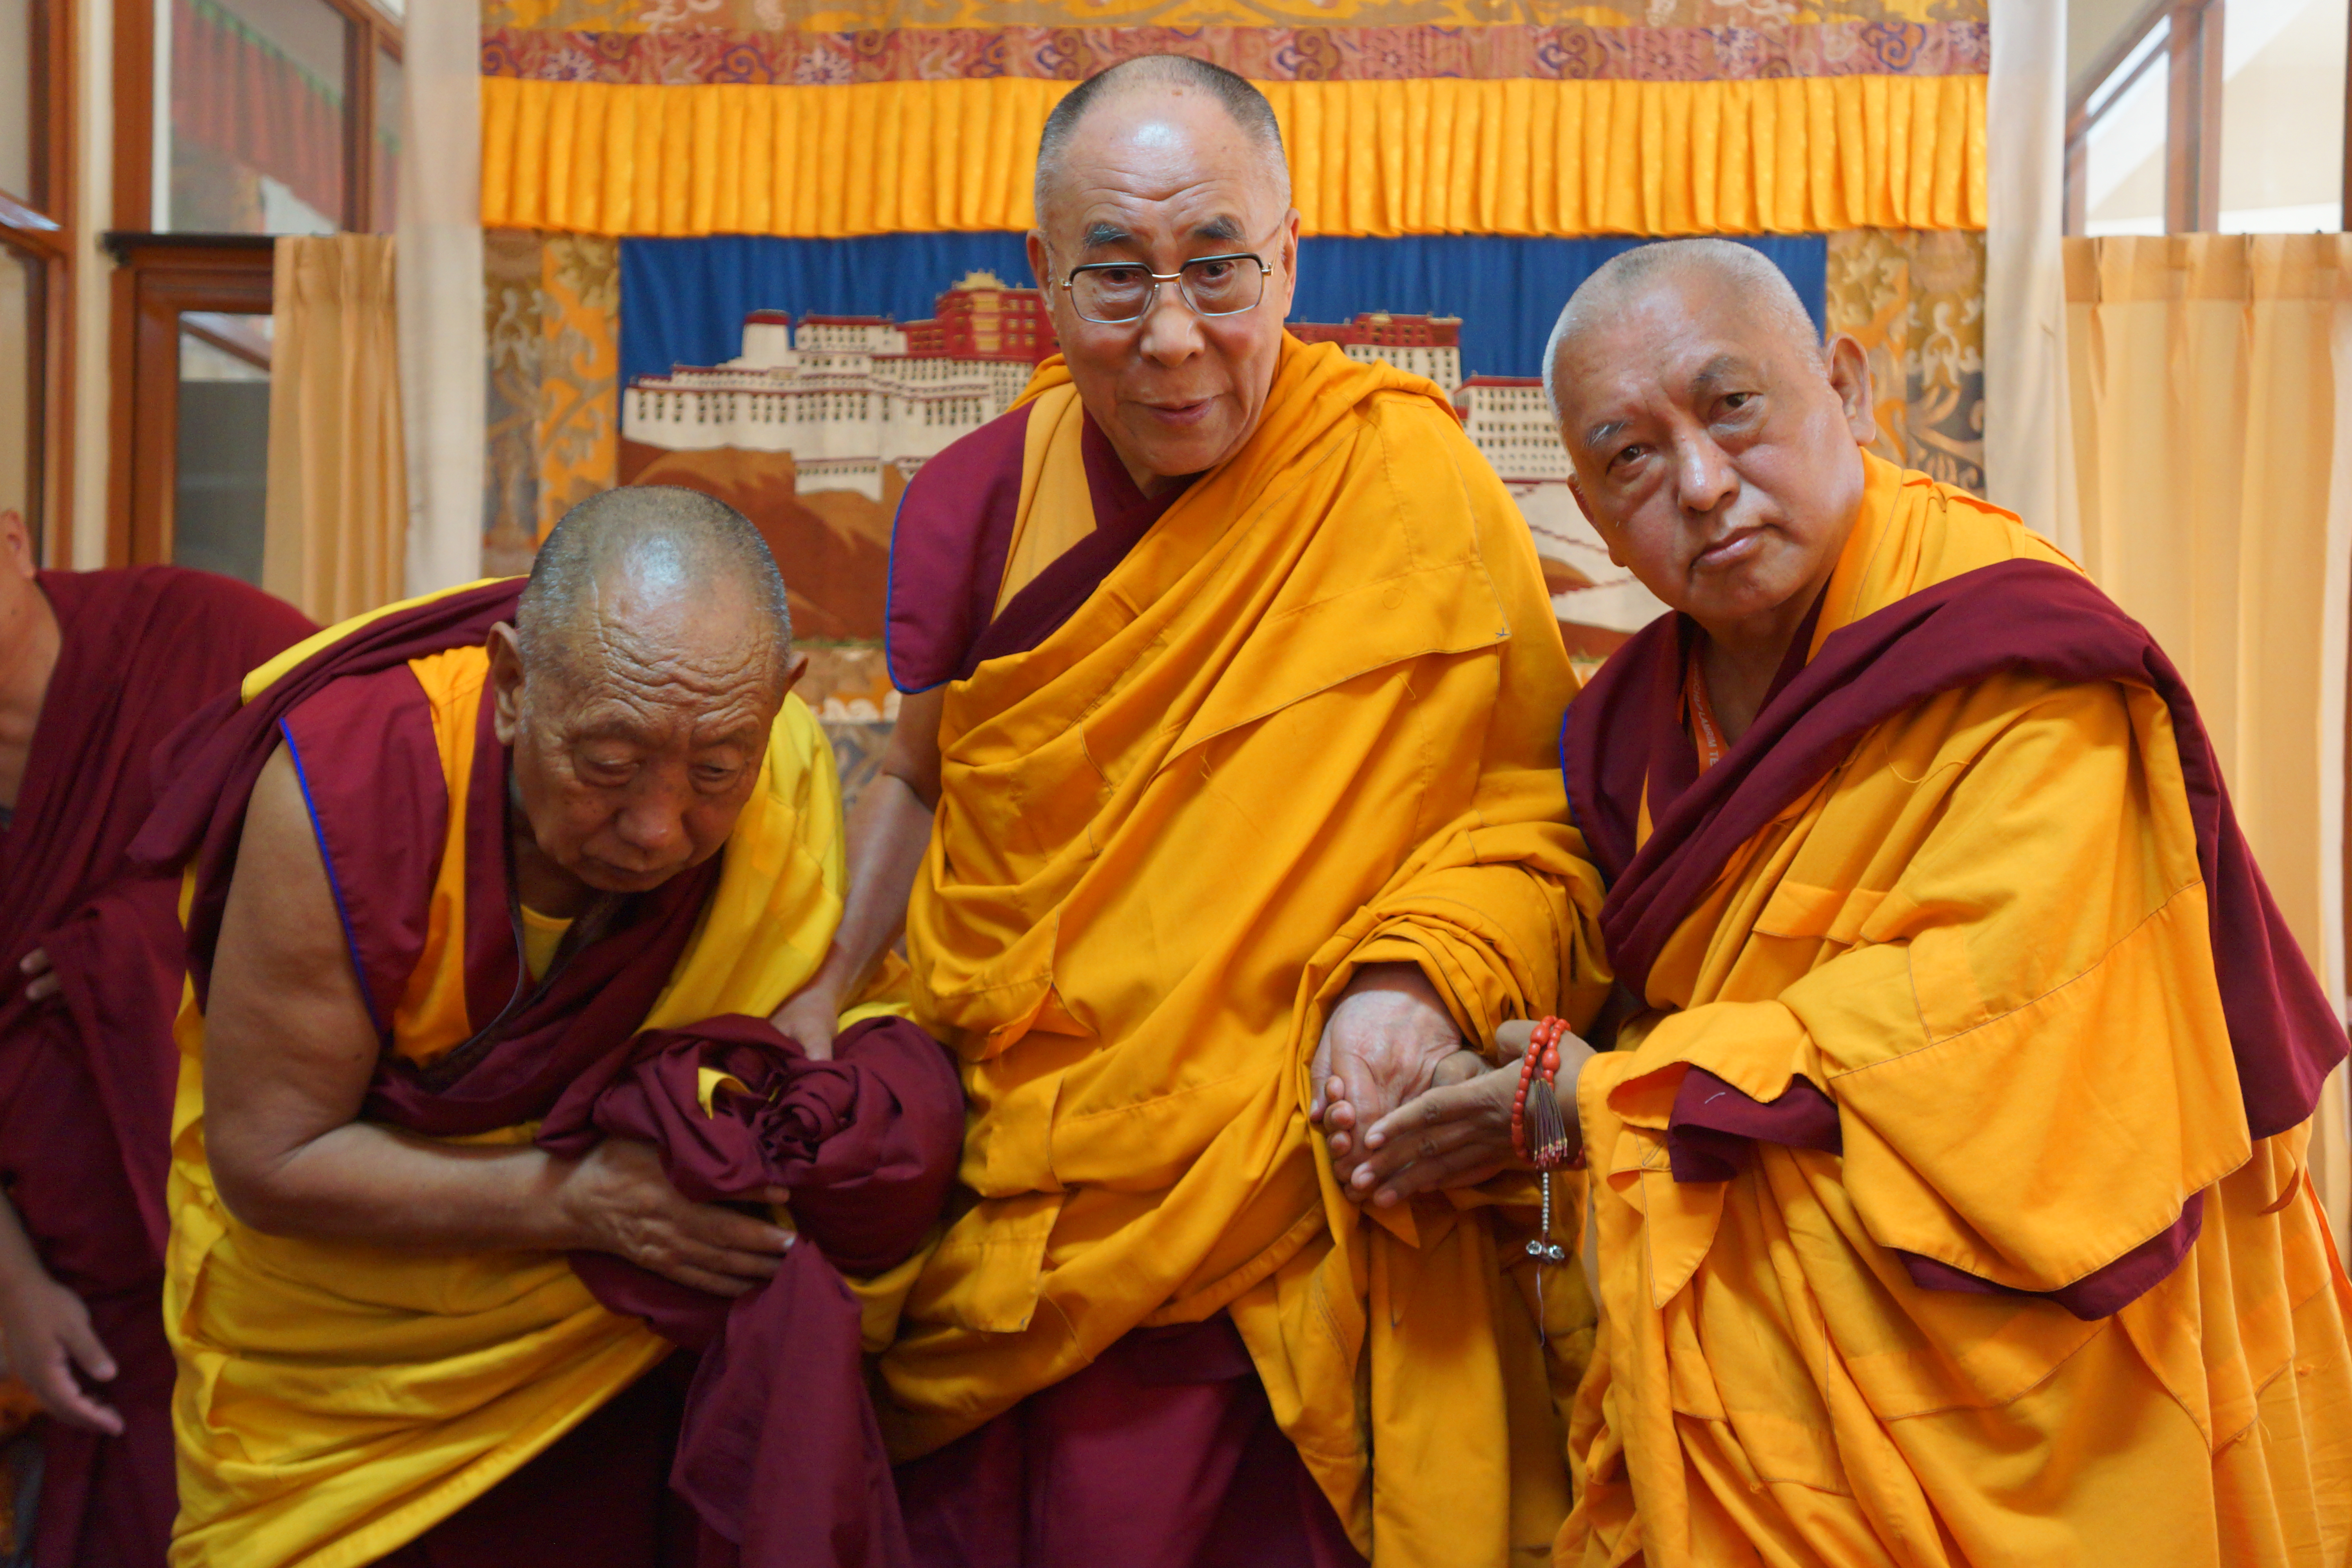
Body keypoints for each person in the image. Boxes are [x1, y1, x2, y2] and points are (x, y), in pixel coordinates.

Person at [1354, 238, 2352, 1564]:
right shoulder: (1631, 724)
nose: (1703, 485)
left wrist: (1602, 1099)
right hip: (1770, 1344)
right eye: (1633, 457)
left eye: (1733, 407)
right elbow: (1560, 898)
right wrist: (1409, 986)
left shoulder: (2016, 661)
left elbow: (1999, 1032)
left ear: (1844, 382)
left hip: (2042, 1354)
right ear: (1593, 514)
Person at [767, 54, 1608, 1568]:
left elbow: (1536, 812)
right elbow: (920, 768)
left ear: (1291, 258)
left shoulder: (1408, 477)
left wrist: (1414, 972)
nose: (1172, 339)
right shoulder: (974, 497)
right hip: (1043, 1200)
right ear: (1044, 275)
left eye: (1217, 269)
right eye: (1118, 277)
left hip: (1318, 1208)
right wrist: (828, 985)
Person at [131, 488, 963, 1568]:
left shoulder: (785, 765)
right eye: (608, 767)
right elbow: (269, 1158)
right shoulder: (347, 790)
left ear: (779, 704)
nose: (660, 827)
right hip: (351, 1408)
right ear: (515, 683)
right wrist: (579, 1204)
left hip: (619, 1373)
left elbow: (789, 1033)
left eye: (715, 774)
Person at [0, 508, 314, 1567]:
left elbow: (373, 854)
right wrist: (13, 1291)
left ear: (12, 539)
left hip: (283, 1263)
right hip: (75, 1290)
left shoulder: (199, 636)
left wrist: (142, 942)